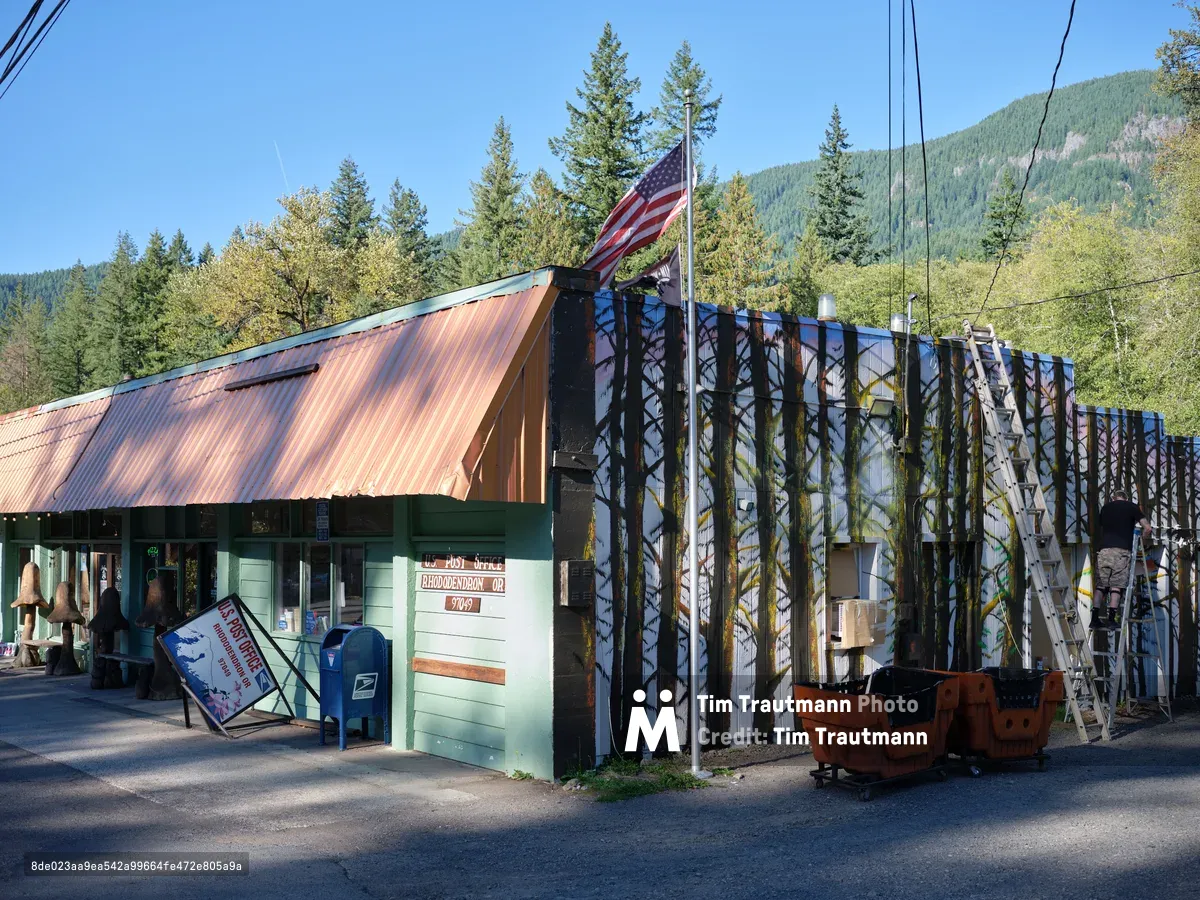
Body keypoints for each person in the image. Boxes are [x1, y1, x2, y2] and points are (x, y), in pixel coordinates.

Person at [1093, 490, 1150, 629]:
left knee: (1101, 586)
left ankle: (1094, 619)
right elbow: (1147, 528)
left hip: (1103, 551)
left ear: (1114, 498)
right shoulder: (1131, 506)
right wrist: (1142, 542)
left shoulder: (1105, 508)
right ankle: (1111, 619)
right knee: (1116, 586)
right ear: (1126, 498)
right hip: (1121, 551)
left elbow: (1101, 526)